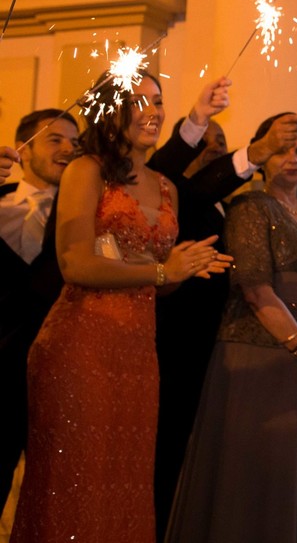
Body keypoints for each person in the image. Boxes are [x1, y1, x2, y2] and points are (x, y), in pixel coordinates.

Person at [12, 73, 230, 542]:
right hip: (79, 345)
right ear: (111, 111)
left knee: (125, 482)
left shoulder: (167, 187)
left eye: (158, 100)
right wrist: (161, 273)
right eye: (139, 101)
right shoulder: (86, 169)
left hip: (137, 351)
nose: (153, 110)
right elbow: (75, 263)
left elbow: (156, 282)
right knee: (75, 482)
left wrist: (182, 269)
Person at [167, 114, 297, 543]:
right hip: (263, 355)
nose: (293, 157)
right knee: (259, 474)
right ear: (263, 156)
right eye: (283, 148)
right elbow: (254, 289)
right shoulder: (249, 207)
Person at [149, 80, 297, 541]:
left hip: (208, 343)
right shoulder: (172, 191)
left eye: (223, 145)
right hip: (170, 339)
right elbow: (187, 187)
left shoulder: (224, 203)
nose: (217, 152)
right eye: (207, 144)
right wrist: (254, 151)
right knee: (161, 452)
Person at [0, 110, 79, 503]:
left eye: (74, 142)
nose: (68, 149)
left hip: (63, 368)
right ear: (23, 151)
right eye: (55, 140)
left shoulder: (86, 216)